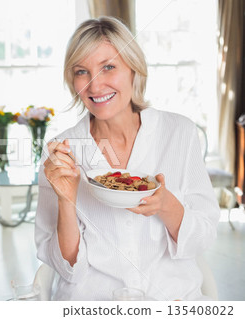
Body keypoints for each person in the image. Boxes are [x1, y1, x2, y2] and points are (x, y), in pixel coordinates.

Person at [35, 16, 220, 301]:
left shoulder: (179, 133)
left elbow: (203, 237)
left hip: (173, 300)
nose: (95, 86)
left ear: (134, 69)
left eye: (108, 67)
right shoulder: (61, 154)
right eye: (82, 71)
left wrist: (166, 204)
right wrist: (66, 200)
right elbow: (67, 269)